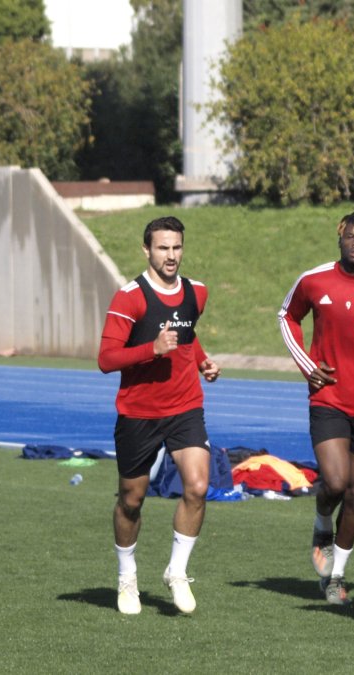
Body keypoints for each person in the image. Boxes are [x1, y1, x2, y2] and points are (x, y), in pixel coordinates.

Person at [97, 216, 220, 616]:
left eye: (177, 247)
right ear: (146, 250)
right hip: (139, 413)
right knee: (131, 500)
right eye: (163, 248)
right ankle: (127, 577)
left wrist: (201, 362)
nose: (171, 255)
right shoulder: (129, 297)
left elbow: (188, 334)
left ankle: (177, 572)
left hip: (185, 407)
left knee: (198, 486)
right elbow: (106, 359)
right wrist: (151, 349)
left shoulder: (196, 292)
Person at [277, 212, 354, 606]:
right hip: (329, 399)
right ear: (339, 239)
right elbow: (287, 317)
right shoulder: (315, 279)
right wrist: (308, 366)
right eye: (351, 235)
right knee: (336, 483)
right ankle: (322, 522)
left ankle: (337, 577)